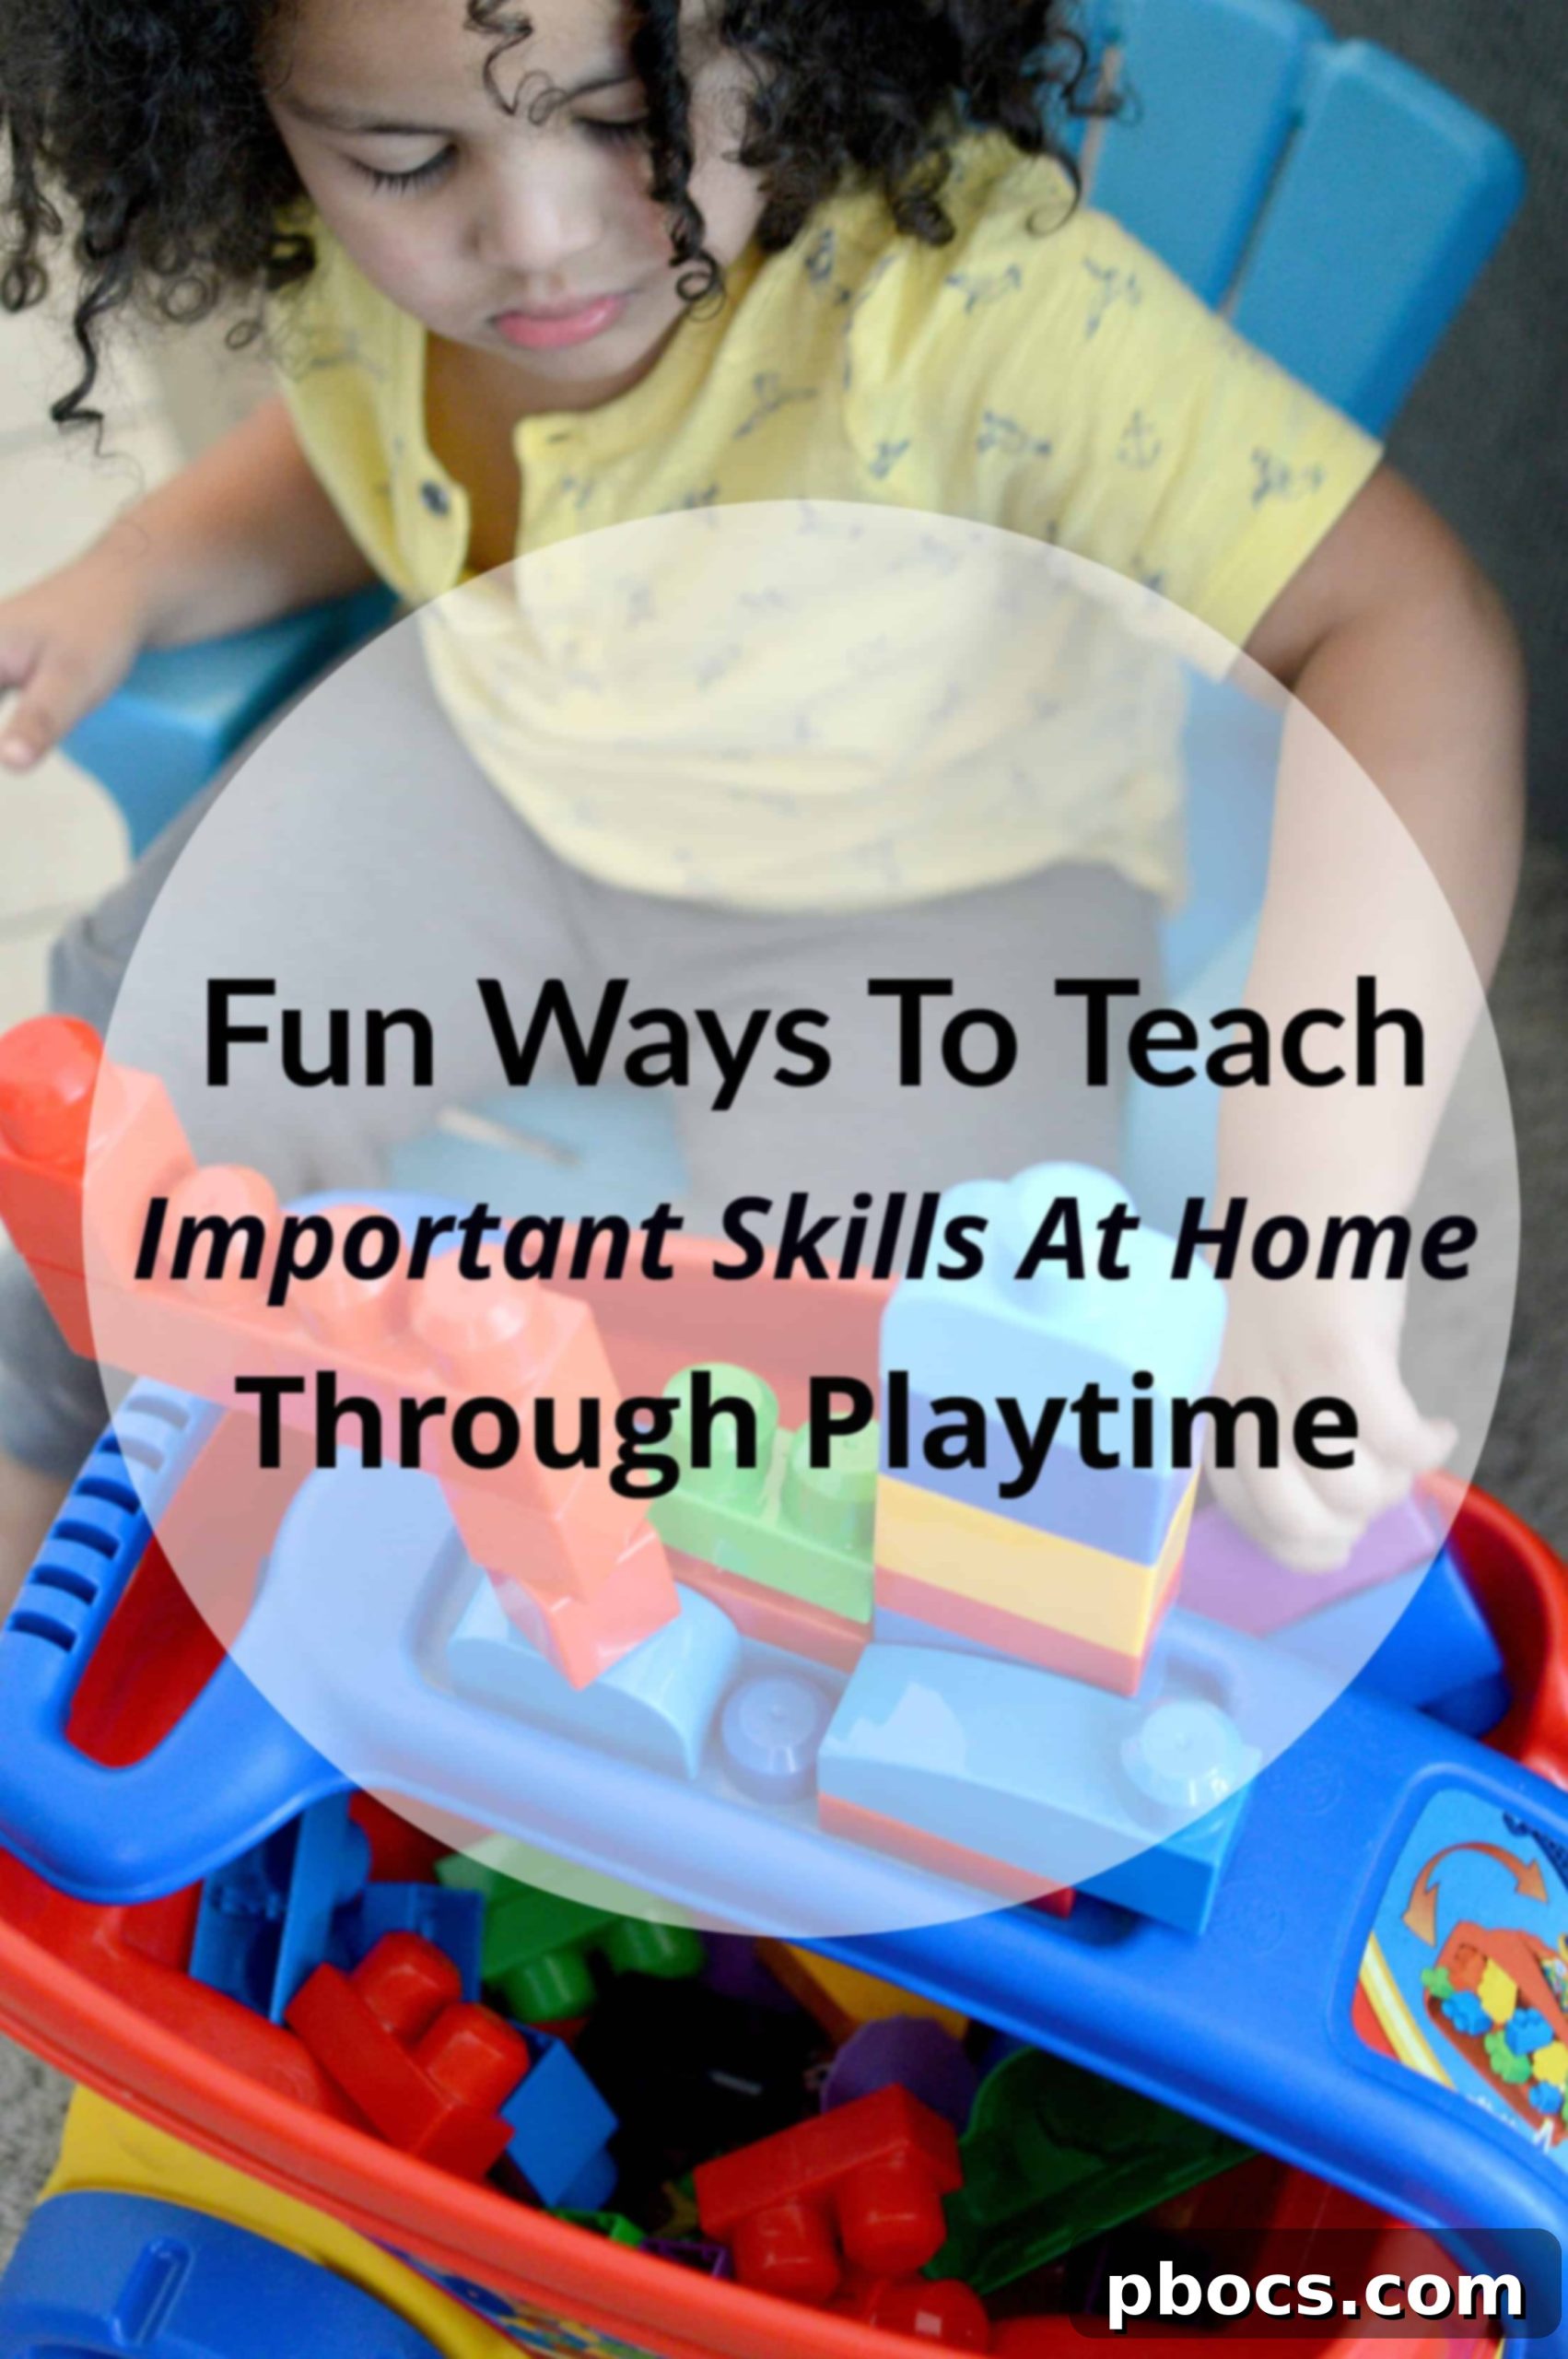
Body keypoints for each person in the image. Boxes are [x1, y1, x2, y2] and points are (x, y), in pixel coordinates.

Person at [0, 0, 1527, 1608]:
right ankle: (49, 1455)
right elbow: (347, 433)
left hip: (928, 885)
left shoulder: (973, 311)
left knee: (892, 1391)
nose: (532, 238)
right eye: (401, 158)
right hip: (505, 752)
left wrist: (1305, 1199)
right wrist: (135, 576)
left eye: (622, 120)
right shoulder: (353, 254)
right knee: (124, 1082)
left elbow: (1412, 638)